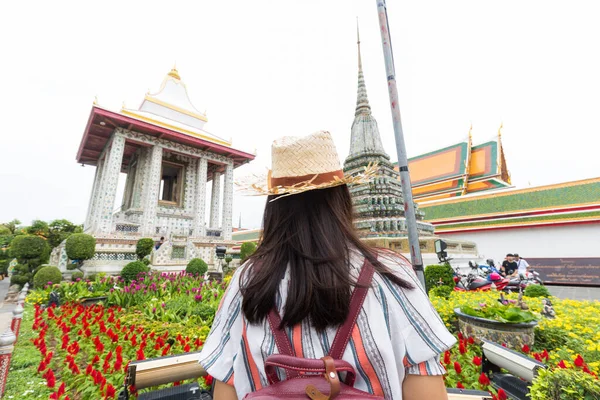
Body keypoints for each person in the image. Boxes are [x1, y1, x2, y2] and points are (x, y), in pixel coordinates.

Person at [198, 131, 456, 400]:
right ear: (342, 197)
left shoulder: (247, 281)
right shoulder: (391, 275)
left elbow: (226, 386)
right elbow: (426, 387)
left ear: (272, 207)